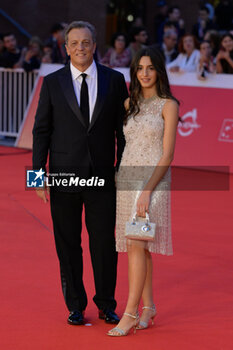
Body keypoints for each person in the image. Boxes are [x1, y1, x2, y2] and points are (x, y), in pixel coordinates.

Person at [32, 21, 128, 326]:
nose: (80, 48)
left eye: (86, 42)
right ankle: (75, 305)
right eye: (74, 43)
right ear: (66, 47)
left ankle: (106, 304)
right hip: (63, 176)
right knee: (68, 244)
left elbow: (123, 132)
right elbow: (41, 131)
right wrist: (36, 177)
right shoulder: (52, 82)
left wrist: (121, 169)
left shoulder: (114, 81)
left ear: (95, 45)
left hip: (102, 178)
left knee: (104, 244)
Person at [107, 47, 179, 337]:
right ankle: (148, 307)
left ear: (159, 70)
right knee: (139, 244)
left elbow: (168, 154)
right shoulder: (129, 103)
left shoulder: (168, 105)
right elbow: (124, 145)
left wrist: (147, 190)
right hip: (127, 178)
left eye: (150, 68)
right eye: (140, 68)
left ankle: (130, 313)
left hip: (152, 181)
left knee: (136, 244)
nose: (145, 73)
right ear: (134, 72)